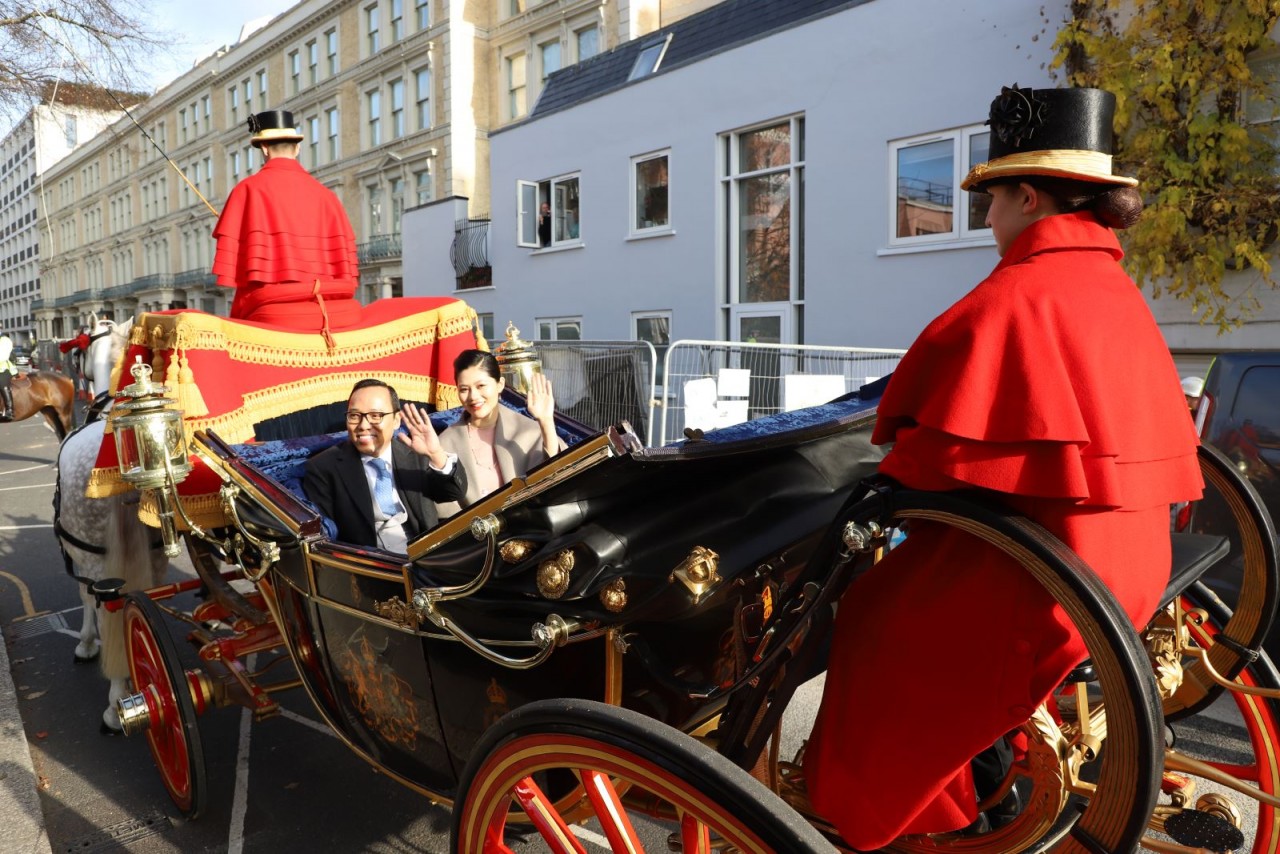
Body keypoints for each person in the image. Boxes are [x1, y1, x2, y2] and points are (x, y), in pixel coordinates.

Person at [803, 84, 1204, 850]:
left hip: (1051, 575)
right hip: (1122, 566)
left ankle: (919, 817)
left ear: (1027, 196)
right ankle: (981, 775)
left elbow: (928, 466)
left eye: (990, 200)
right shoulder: (1116, 290)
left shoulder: (1015, 297)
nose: (985, 219)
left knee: (874, 617)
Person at [212, 109, 361, 335]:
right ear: (297, 148)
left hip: (268, 316)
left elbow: (240, 278)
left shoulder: (247, 190)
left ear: (264, 148)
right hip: (330, 317)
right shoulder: (327, 196)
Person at [303, 378, 467, 552]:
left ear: (396, 420)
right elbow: (326, 540)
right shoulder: (323, 469)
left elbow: (453, 493)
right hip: (370, 565)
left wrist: (436, 454)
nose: (363, 425)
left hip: (426, 553)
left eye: (375, 416)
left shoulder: (415, 453)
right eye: (354, 416)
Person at [435, 349, 566, 518]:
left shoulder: (528, 430)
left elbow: (558, 474)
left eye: (481, 386)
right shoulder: (446, 441)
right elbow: (444, 509)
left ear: (500, 384)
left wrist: (547, 422)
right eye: (464, 389)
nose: (473, 396)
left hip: (531, 530)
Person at [0, 332, 14, 421]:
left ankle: (9, 410)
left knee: (2, 383)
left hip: (3, 368)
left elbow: (3, 356)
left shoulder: (4, 340)